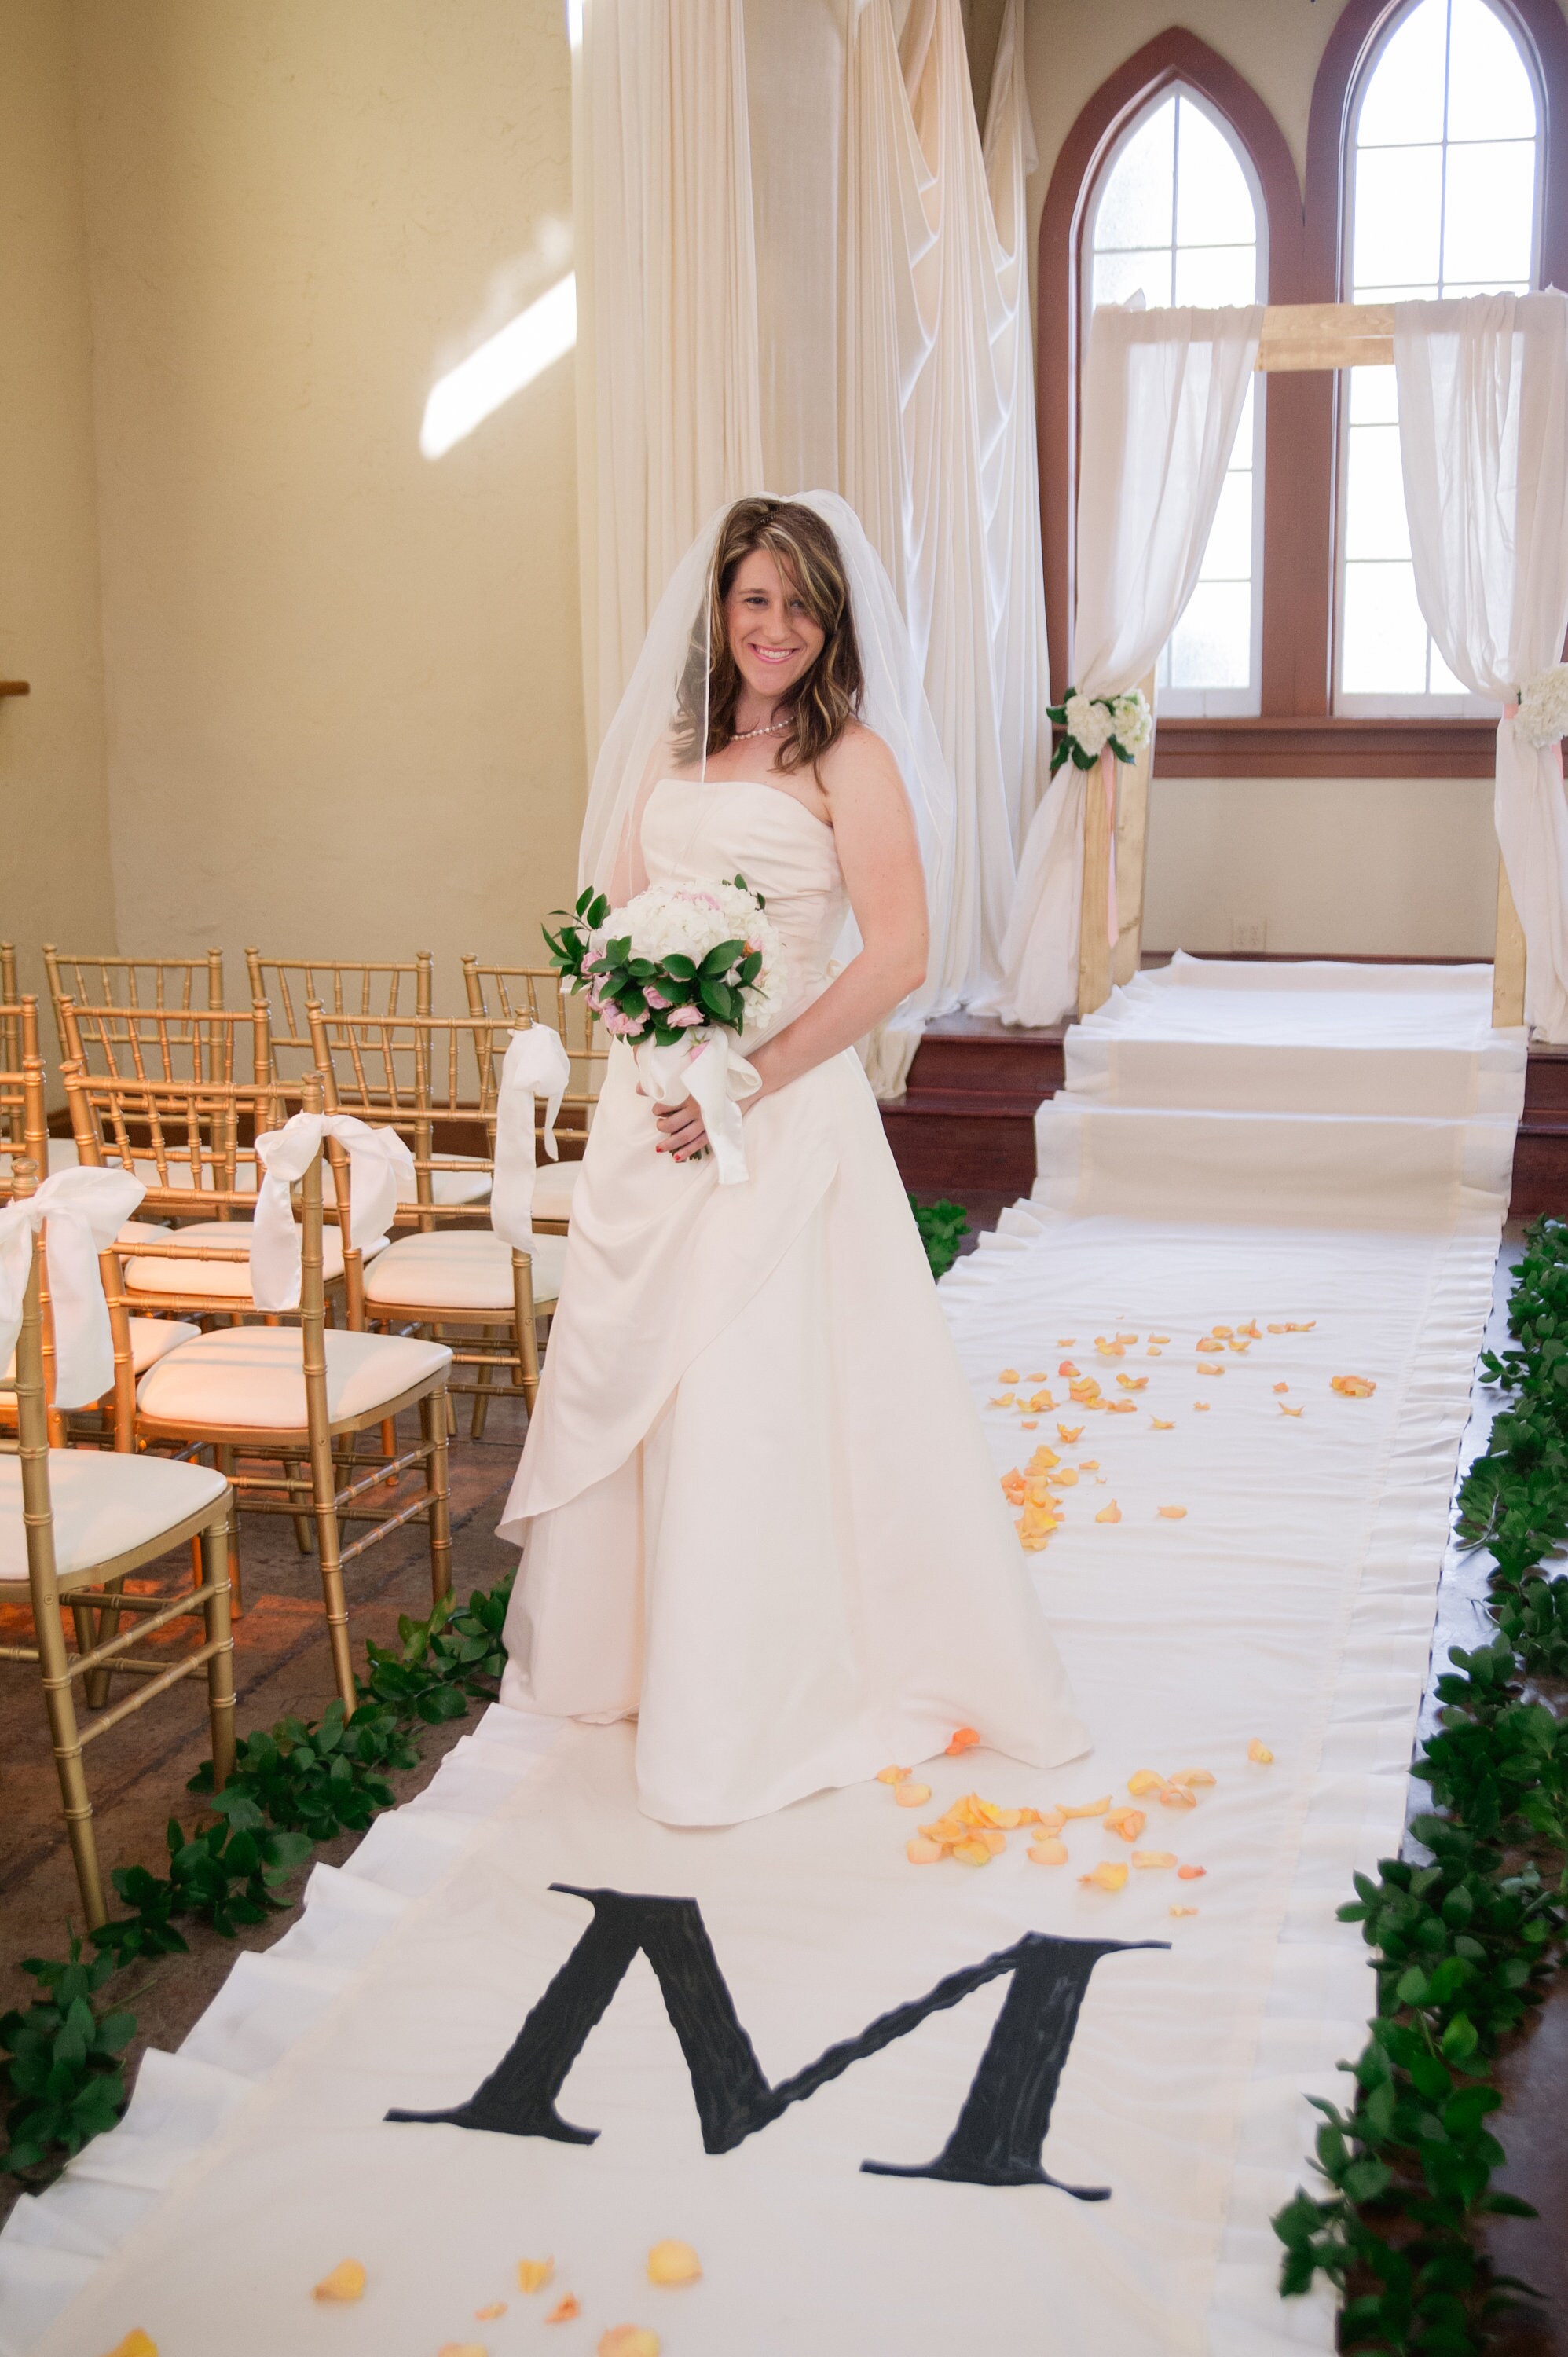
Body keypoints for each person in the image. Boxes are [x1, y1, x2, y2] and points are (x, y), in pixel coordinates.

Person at [497, 493, 1087, 1824]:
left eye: (802, 607)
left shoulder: (850, 760)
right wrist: (647, 1021)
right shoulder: (673, 753)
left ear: (832, 624)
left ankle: (759, 1683)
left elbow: (901, 956)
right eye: (756, 600)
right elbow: (615, 920)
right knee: (648, 1375)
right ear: (720, 609)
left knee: (753, 1388)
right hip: (655, 1111)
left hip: (781, 1113)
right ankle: (637, 1652)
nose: (777, 628)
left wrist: (749, 1075)